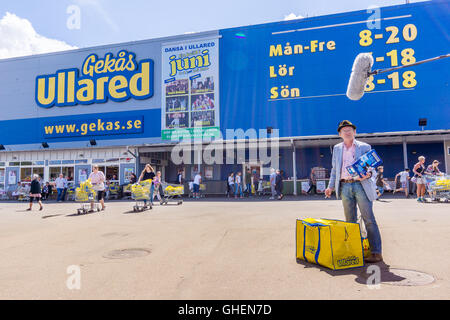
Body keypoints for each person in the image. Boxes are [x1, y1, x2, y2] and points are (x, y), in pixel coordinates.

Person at [324, 120, 382, 263]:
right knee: (350, 221)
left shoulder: (364, 146)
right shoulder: (337, 148)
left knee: (369, 219)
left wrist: (368, 174)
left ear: (355, 132)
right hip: (344, 186)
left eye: (350, 129)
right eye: (344, 130)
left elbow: (373, 167)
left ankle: (376, 252)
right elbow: (334, 170)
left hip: (361, 185)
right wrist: (330, 186)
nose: (347, 132)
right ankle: (354, 250)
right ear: (340, 134)